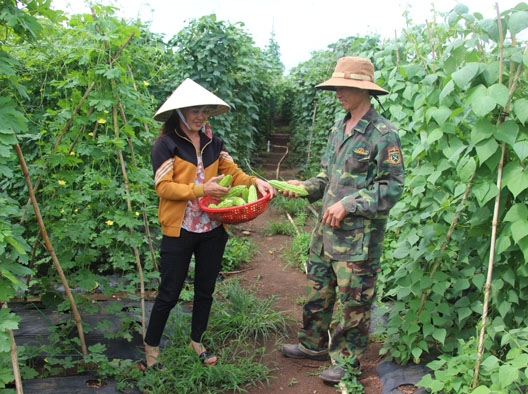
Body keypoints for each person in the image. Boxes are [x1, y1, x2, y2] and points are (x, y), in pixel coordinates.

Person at [278, 57, 405, 384]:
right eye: (336, 86)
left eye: (345, 87)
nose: (338, 93)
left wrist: (350, 204)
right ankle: (313, 345)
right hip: (325, 234)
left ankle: (347, 364)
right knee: (317, 294)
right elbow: (327, 177)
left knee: (354, 306)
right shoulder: (339, 127)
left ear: (364, 90)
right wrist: (304, 187)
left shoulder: (383, 133)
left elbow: (391, 188)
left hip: (357, 241)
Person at [143, 78, 275, 369]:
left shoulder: (214, 144)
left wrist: (257, 182)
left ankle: (197, 341)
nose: (200, 116)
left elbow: (236, 174)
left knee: (205, 289)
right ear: (179, 112)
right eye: (194, 110)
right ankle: (151, 347)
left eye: (204, 111)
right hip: (180, 229)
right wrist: (203, 189)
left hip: (212, 229)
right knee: (170, 291)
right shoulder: (166, 145)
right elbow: (163, 187)